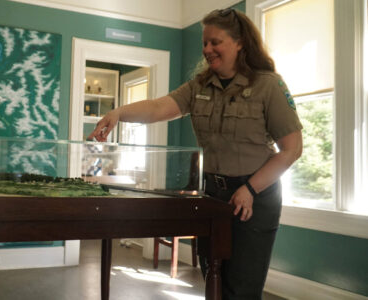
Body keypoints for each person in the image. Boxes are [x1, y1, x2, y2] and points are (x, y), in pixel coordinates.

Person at [88, 8, 303, 300]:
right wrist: (117, 113)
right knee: (213, 279)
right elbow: (156, 108)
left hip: (254, 196)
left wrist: (250, 189)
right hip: (212, 194)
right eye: (205, 43)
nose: (207, 49)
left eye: (216, 42)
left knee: (241, 288)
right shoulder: (200, 86)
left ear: (240, 42)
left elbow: (291, 149)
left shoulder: (268, 85)